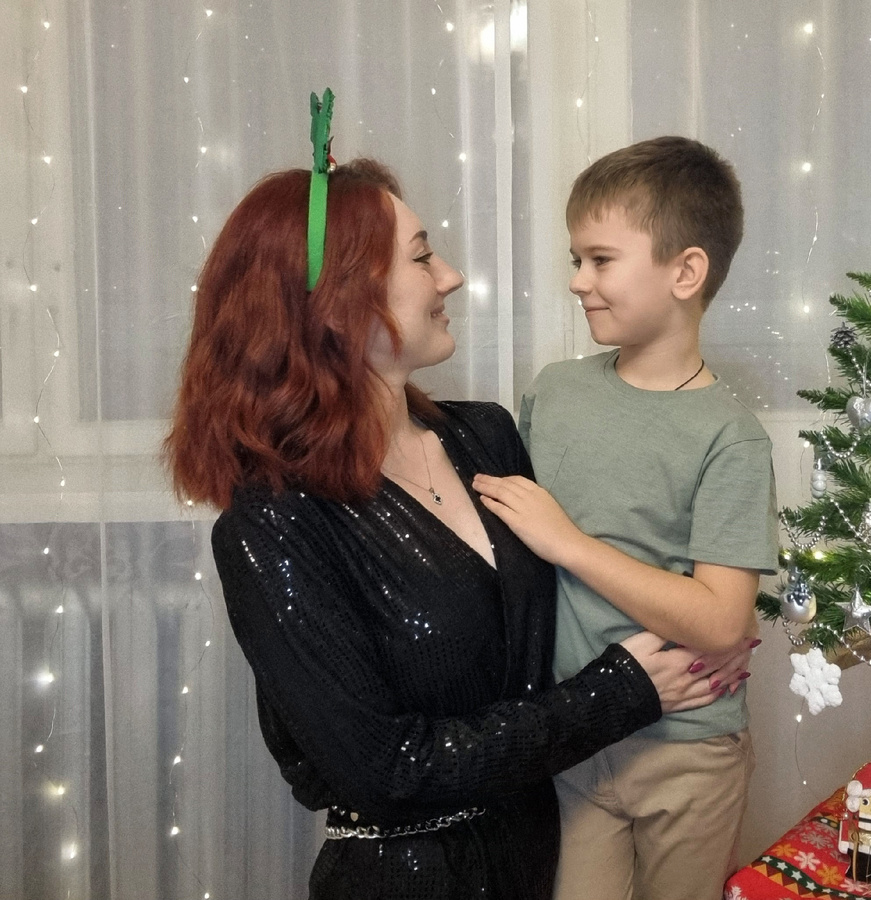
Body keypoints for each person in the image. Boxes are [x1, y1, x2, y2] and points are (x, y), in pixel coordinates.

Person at [164, 155, 728, 900]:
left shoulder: (485, 437)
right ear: (338, 302)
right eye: (423, 256)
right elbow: (389, 771)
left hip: (542, 857)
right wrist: (621, 691)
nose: (452, 277)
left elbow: (585, 582)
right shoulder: (273, 526)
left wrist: (699, 619)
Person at [473, 136, 779, 900]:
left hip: (686, 750)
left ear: (686, 272)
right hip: (571, 737)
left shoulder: (730, 438)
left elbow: (720, 622)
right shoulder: (555, 391)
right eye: (576, 259)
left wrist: (570, 545)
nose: (578, 281)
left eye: (601, 260)